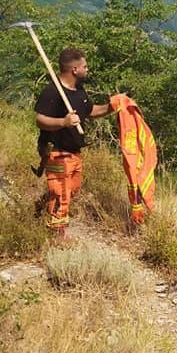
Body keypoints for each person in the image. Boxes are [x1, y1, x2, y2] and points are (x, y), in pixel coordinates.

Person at [34, 48, 113, 235]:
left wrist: (112, 107)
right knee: (61, 193)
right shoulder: (52, 91)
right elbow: (40, 120)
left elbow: (90, 111)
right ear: (75, 69)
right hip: (57, 152)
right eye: (85, 66)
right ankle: (56, 236)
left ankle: (44, 209)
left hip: (75, 152)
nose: (88, 69)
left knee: (72, 190)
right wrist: (64, 122)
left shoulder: (79, 90)